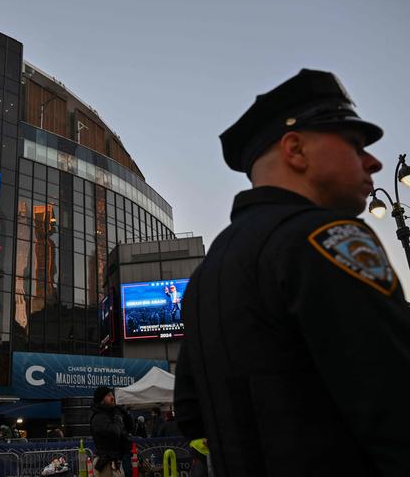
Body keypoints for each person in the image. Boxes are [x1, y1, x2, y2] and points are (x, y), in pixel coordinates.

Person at [174, 69, 410, 476]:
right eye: (355, 144)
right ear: (296, 150)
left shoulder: (204, 276)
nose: (374, 161)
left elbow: (191, 413)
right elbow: (397, 403)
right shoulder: (327, 237)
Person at [90, 386, 133, 476]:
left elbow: (130, 429)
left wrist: (125, 413)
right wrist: (118, 417)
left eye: (112, 394)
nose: (112, 397)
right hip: (106, 466)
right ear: (101, 400)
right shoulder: (99, 417)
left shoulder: (111, 414)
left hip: (116, 463)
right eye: (109, 395)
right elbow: (115, 432)